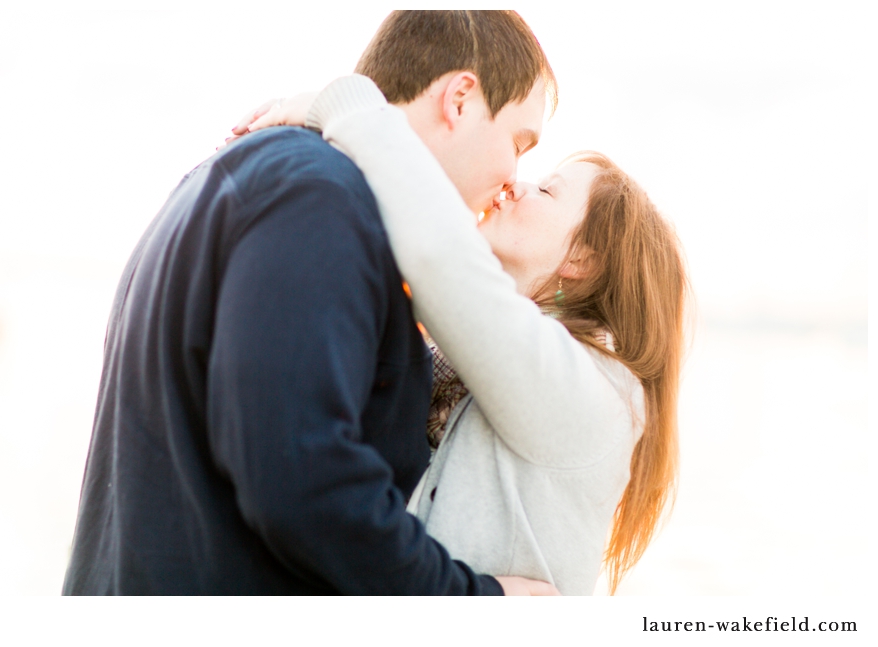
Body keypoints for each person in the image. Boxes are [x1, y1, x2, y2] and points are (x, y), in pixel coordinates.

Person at [62, 11, 559, 595]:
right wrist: (475, 602)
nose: (511, 179)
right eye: (519, 144)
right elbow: (301, 476)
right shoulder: (319, 199)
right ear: (460, 99)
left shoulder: (258, 179)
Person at [233, 74, 689, 595]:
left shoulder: (592, 391)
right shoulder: (480, 364)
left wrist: (340, 104)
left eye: (546, 189)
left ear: (582, 260)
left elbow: (440, 255)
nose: (516, 183)